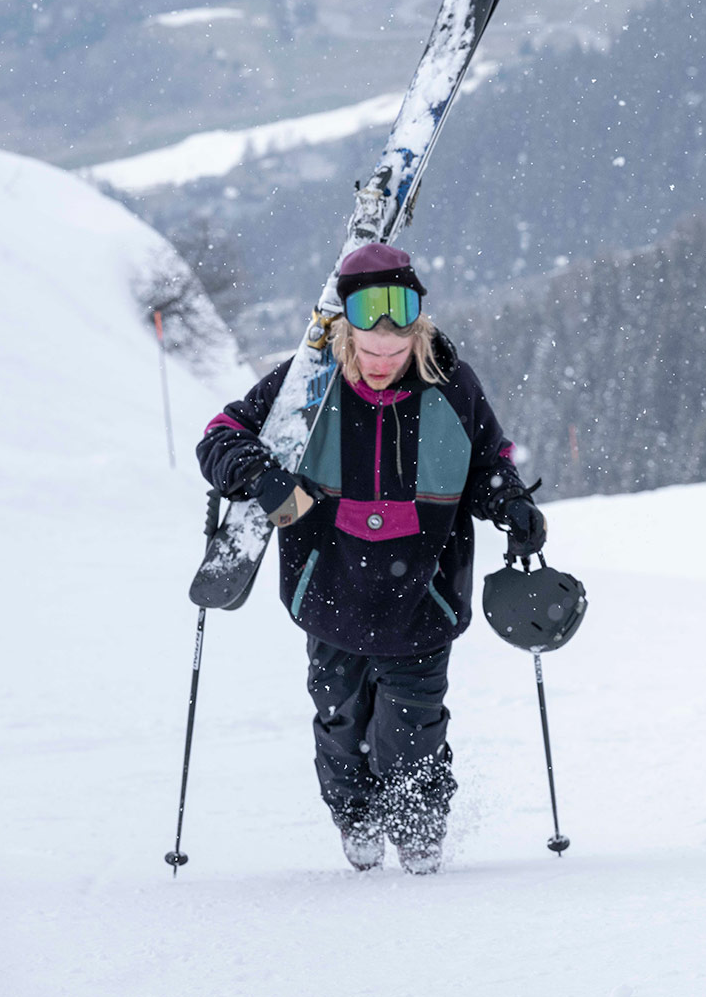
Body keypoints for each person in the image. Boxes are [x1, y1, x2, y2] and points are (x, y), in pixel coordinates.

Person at [196, 243, 545, 874]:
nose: (382, 363)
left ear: (417, 334)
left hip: (424, 598)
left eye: (396, 350)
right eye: (369, 351)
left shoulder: (452, 386)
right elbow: (219, 437)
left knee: (412, 733)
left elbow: (489, 464)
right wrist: (260, 478)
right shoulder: (305, 386)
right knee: (339, 722)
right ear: (344, 335)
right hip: (328, 593)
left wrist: (514, 507)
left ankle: (419, 834)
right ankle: (356, 822)